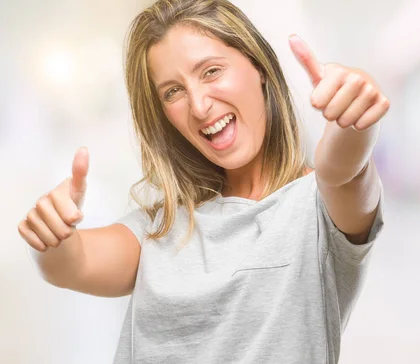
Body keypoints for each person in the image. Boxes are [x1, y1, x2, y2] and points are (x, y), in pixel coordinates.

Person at [17, 0, 389, 363]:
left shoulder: (319, 207)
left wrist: (355, 119)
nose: (198, 105)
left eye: (211, 71)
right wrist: (51, 237)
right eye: (173, 91)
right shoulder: (160, 228)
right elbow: (71, 264)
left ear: (258, 66)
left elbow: (343, 171)